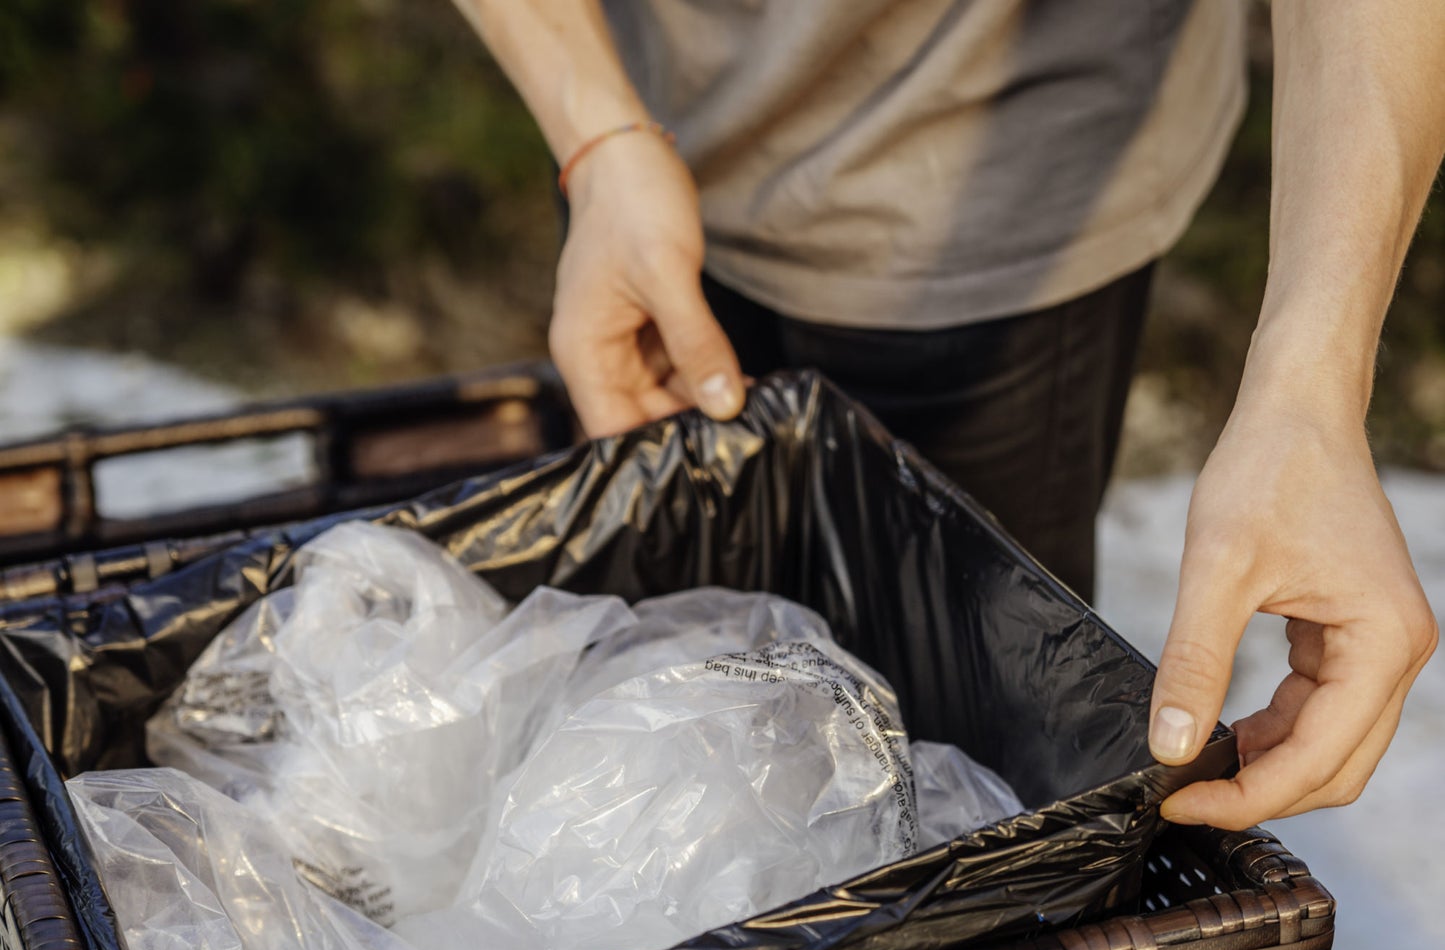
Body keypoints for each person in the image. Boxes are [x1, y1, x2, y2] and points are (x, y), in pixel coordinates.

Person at [452, 0, 1441, 831]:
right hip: (643, 142)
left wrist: (1310, 387)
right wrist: (592, 129)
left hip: (1003, 234)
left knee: (962, 786)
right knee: (695, 703)